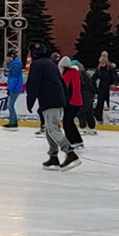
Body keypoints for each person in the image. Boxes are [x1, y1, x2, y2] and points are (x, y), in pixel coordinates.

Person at [25, 42, 79, 171]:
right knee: (49, 129)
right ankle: (53, 157)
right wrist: (65, 99)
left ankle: (70, 153)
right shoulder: (50, 64)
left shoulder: (37, 65)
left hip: (50, 101)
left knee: (52, 128)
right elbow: (61, 82)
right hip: (55, 100)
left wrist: (30, 100)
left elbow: (33, 84)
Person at [58, 57, 85, 150]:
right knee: (69, 121)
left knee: (67, 121)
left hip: (72, 101)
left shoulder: (68, 74)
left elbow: (66, 88)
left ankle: (73, 141)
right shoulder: (74, 73)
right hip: (76, 100)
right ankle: (77, 140)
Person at [93, 53, 118, 126]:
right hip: (101, 89)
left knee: (110, 104)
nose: (101, 64)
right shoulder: (98, 69)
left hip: (109, 90)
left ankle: (111, 119)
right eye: (100, 63)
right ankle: (99, 119)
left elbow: (115, 78)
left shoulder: (111, 69)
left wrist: (114, 84)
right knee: (99, 105)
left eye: (103, 63)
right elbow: (93, 78)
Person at [2, 51, 24, 130]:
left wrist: (10, 88)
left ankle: (13, 122)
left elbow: (14, 78)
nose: (7, 59)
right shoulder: (14, 64)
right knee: (10, 105)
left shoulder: (15, 65)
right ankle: (13, 121)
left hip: (15, 88)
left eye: (9, 57)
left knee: (10, 105)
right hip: (16, 87)